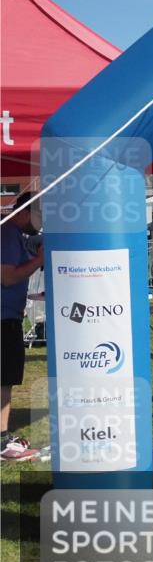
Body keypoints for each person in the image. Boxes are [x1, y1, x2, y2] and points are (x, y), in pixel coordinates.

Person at [1, 193, 42, 461]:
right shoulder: (7, 234)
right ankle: (3, 442)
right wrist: (40, 258)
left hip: (9, 316)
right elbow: (7, 277)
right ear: (26, 212)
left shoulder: (12, 234)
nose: (40, 225)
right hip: (3, 318)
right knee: (4, 379)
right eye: (40, 217)